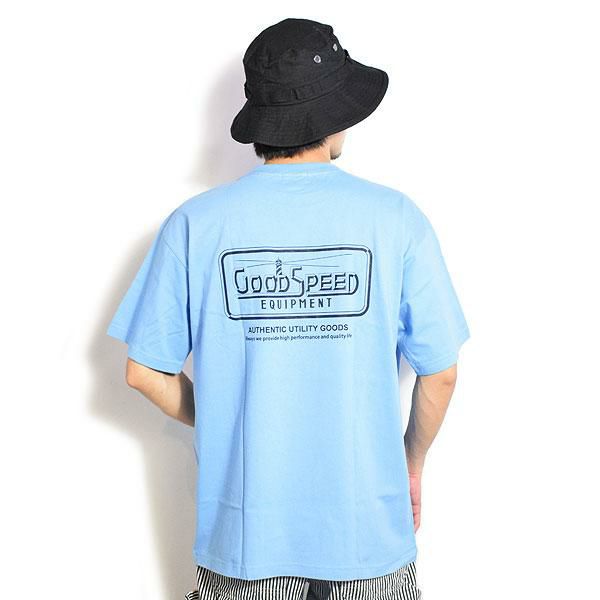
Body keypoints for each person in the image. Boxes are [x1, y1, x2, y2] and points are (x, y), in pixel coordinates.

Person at [106, 17, 470, 600]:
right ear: (333, 114)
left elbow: (143, 371)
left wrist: (227, 415)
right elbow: (441, 372)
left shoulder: (194, 226)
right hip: (367, 537)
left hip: (244, 542)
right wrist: (411, 461)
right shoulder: (396, 219)